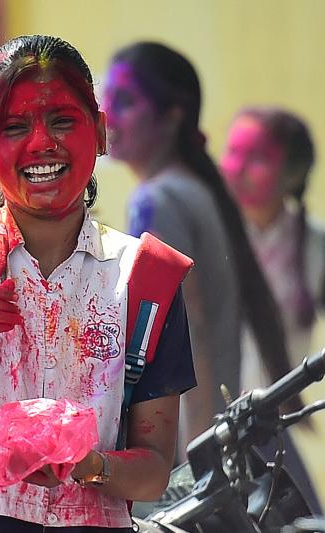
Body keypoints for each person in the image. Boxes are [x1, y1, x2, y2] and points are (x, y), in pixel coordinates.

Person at [0, 35, 196, 532]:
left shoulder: (146, 276)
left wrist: (90, 466)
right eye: (14, 126)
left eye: (63, 120)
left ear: (101, 132)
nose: (42, 143)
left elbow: (155, 471)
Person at [101, 42, 296, 448]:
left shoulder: (156, 202)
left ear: (171, 116)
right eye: (105, 98)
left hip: (197, 443)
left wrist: (196, 464)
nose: (106, 114)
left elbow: (191, 335)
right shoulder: (194, 190)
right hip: (216, 436)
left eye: (125, 101)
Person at [219, 106, 325, 391]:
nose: (236, 168)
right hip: (203, 423)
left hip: (272, 417)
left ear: (294, 174)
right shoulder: (205, 232)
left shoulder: (315, 245)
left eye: (257, 158)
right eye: (232, 152)